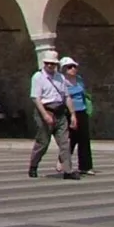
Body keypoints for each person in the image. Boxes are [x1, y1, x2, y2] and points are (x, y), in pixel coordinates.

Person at [28, 50, 78, 179]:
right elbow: (36, 98)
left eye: (53, 64)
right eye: (48, 63)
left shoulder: (60, 77)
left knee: (64, 143)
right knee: (43, 142)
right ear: (44, 63)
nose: (50, 66)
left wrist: (73, 114)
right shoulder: (38, 77)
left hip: (60, 112)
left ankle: (67, 171)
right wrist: (45, 115)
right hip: (45, 110)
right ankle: (33, 166)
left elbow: (66, 96)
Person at [59, 58, 94, 175]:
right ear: (64, 69)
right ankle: (63, 162)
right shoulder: (62, 81)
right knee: (71, 138)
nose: (73, 69)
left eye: (74, 66)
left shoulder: (79, 80)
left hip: (82, 110)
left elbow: (83, 93)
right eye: (69, 67)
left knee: (84, 138)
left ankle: (85, 166)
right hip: (69, 112)